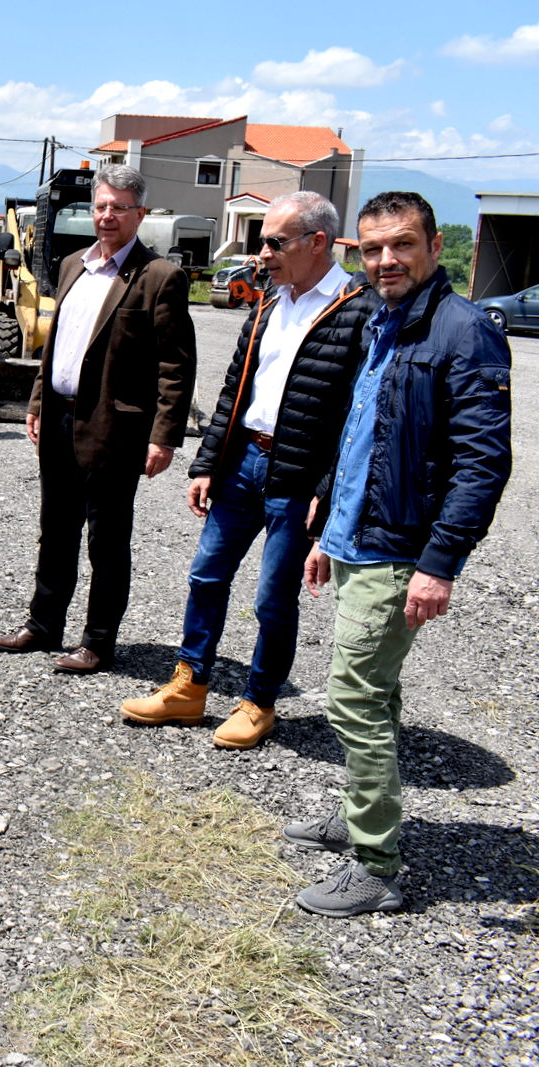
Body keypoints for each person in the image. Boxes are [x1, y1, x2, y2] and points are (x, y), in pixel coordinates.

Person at [285, 191, 511, 917]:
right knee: (375, 692)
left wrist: (440, 563)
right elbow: (362, 438)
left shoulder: (462, 330)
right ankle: (360, 814)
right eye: (373, 247)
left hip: (402, 551)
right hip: (359, 538)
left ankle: (377, 865)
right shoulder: (383, 321)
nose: (386, 259)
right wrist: (330, 532)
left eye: (402, 244)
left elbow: (483, 463)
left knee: (352, 697)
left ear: (433, 245)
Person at [119, 191, 375, 747]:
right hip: (243, 462)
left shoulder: (361, 309)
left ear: (317, 243)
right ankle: (189, 687)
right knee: (206, 575)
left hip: (299, 476)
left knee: (272, 598)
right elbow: (235, 385)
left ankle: (259, 702)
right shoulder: (267, 300)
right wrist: (208, 461)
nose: (261, 252)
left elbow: (361, 415)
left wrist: (327, 492)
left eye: (273, 241)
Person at [0, 163, 195, 673]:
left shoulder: (159, 277)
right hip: (59, 418)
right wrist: (37, 402)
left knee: (106, 540)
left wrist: (163, 436)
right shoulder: (72, 264)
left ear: (139, 214)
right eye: (100, 206)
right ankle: (42, 625)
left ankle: (98, 642)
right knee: (55, 529)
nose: (107, 216)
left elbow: (176, 364)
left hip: (115, 428)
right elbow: (56, 346)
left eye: (118, 208)